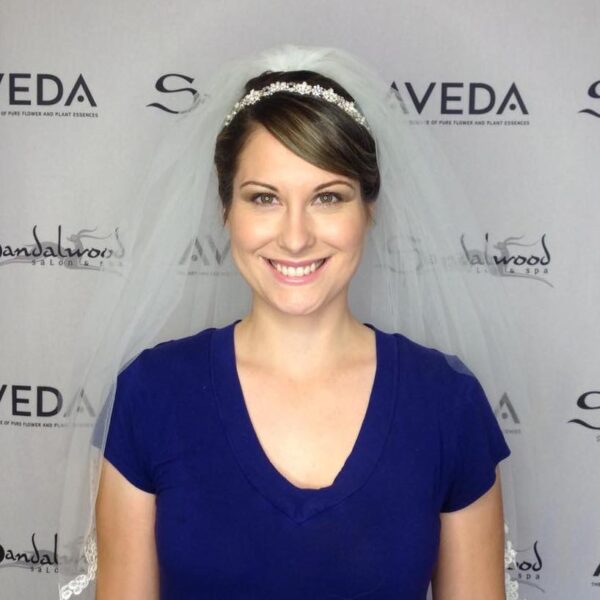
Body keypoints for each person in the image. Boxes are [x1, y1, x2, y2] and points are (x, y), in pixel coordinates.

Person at [57, 44, 531, 600]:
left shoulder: (447, 404)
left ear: (369, 209)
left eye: (328, 197)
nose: (296, 236)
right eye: (265, 198)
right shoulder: (150, 396)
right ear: (226, 210)